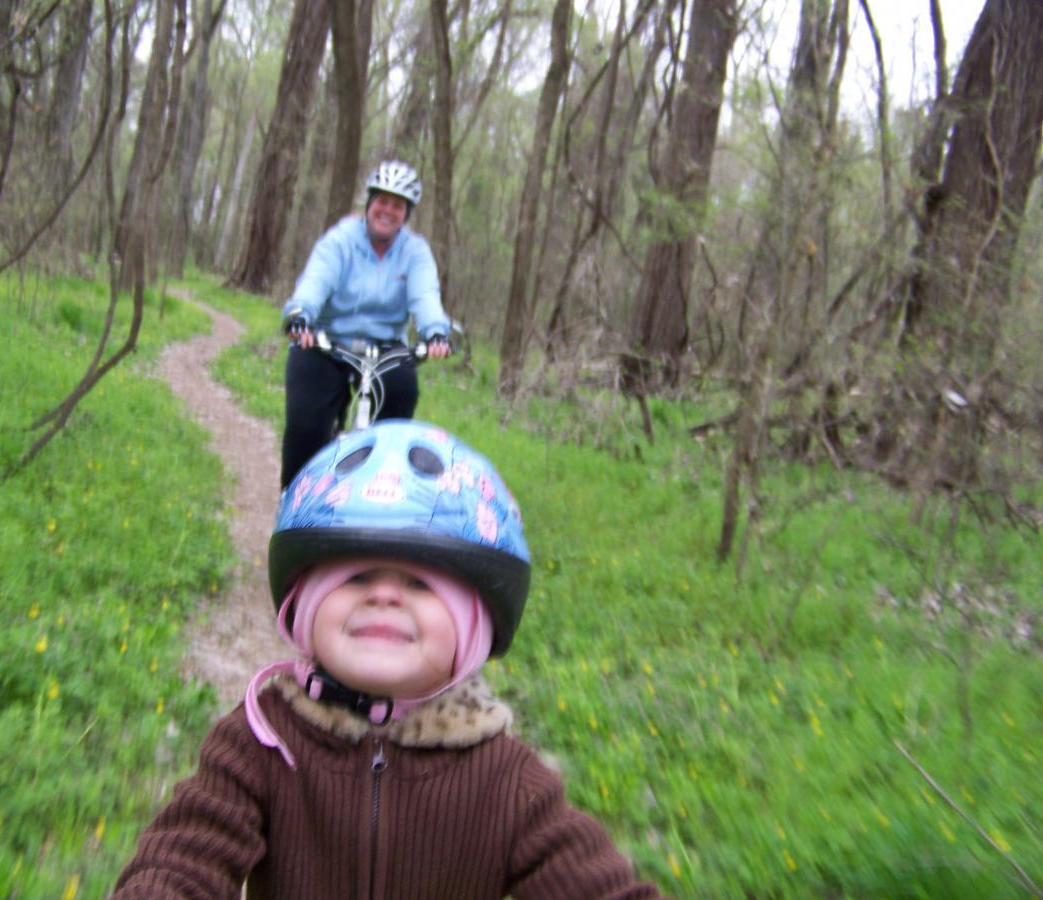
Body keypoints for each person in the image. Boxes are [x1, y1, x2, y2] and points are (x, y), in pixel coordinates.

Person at [114, 420, 663, 899]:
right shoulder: (258, 747)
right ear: (305, 608)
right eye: (354, 577)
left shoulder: (511, 786)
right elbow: (183, 857)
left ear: (471, 630)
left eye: (420, 584)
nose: (383, 597)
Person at [278, 160, 453, 489]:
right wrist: (300, 314)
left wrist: (435, 332)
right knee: (306, 426)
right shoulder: (341, 239)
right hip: (324, 342)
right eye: (382, 201)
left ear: (406, 214)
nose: (388, 210)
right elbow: (316, 280)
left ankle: (377, 497)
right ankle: (294, 504)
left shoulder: (415, 252)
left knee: (399, 406)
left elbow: (425, 295)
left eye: (397, 205)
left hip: (384, 348)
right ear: (370, 203)